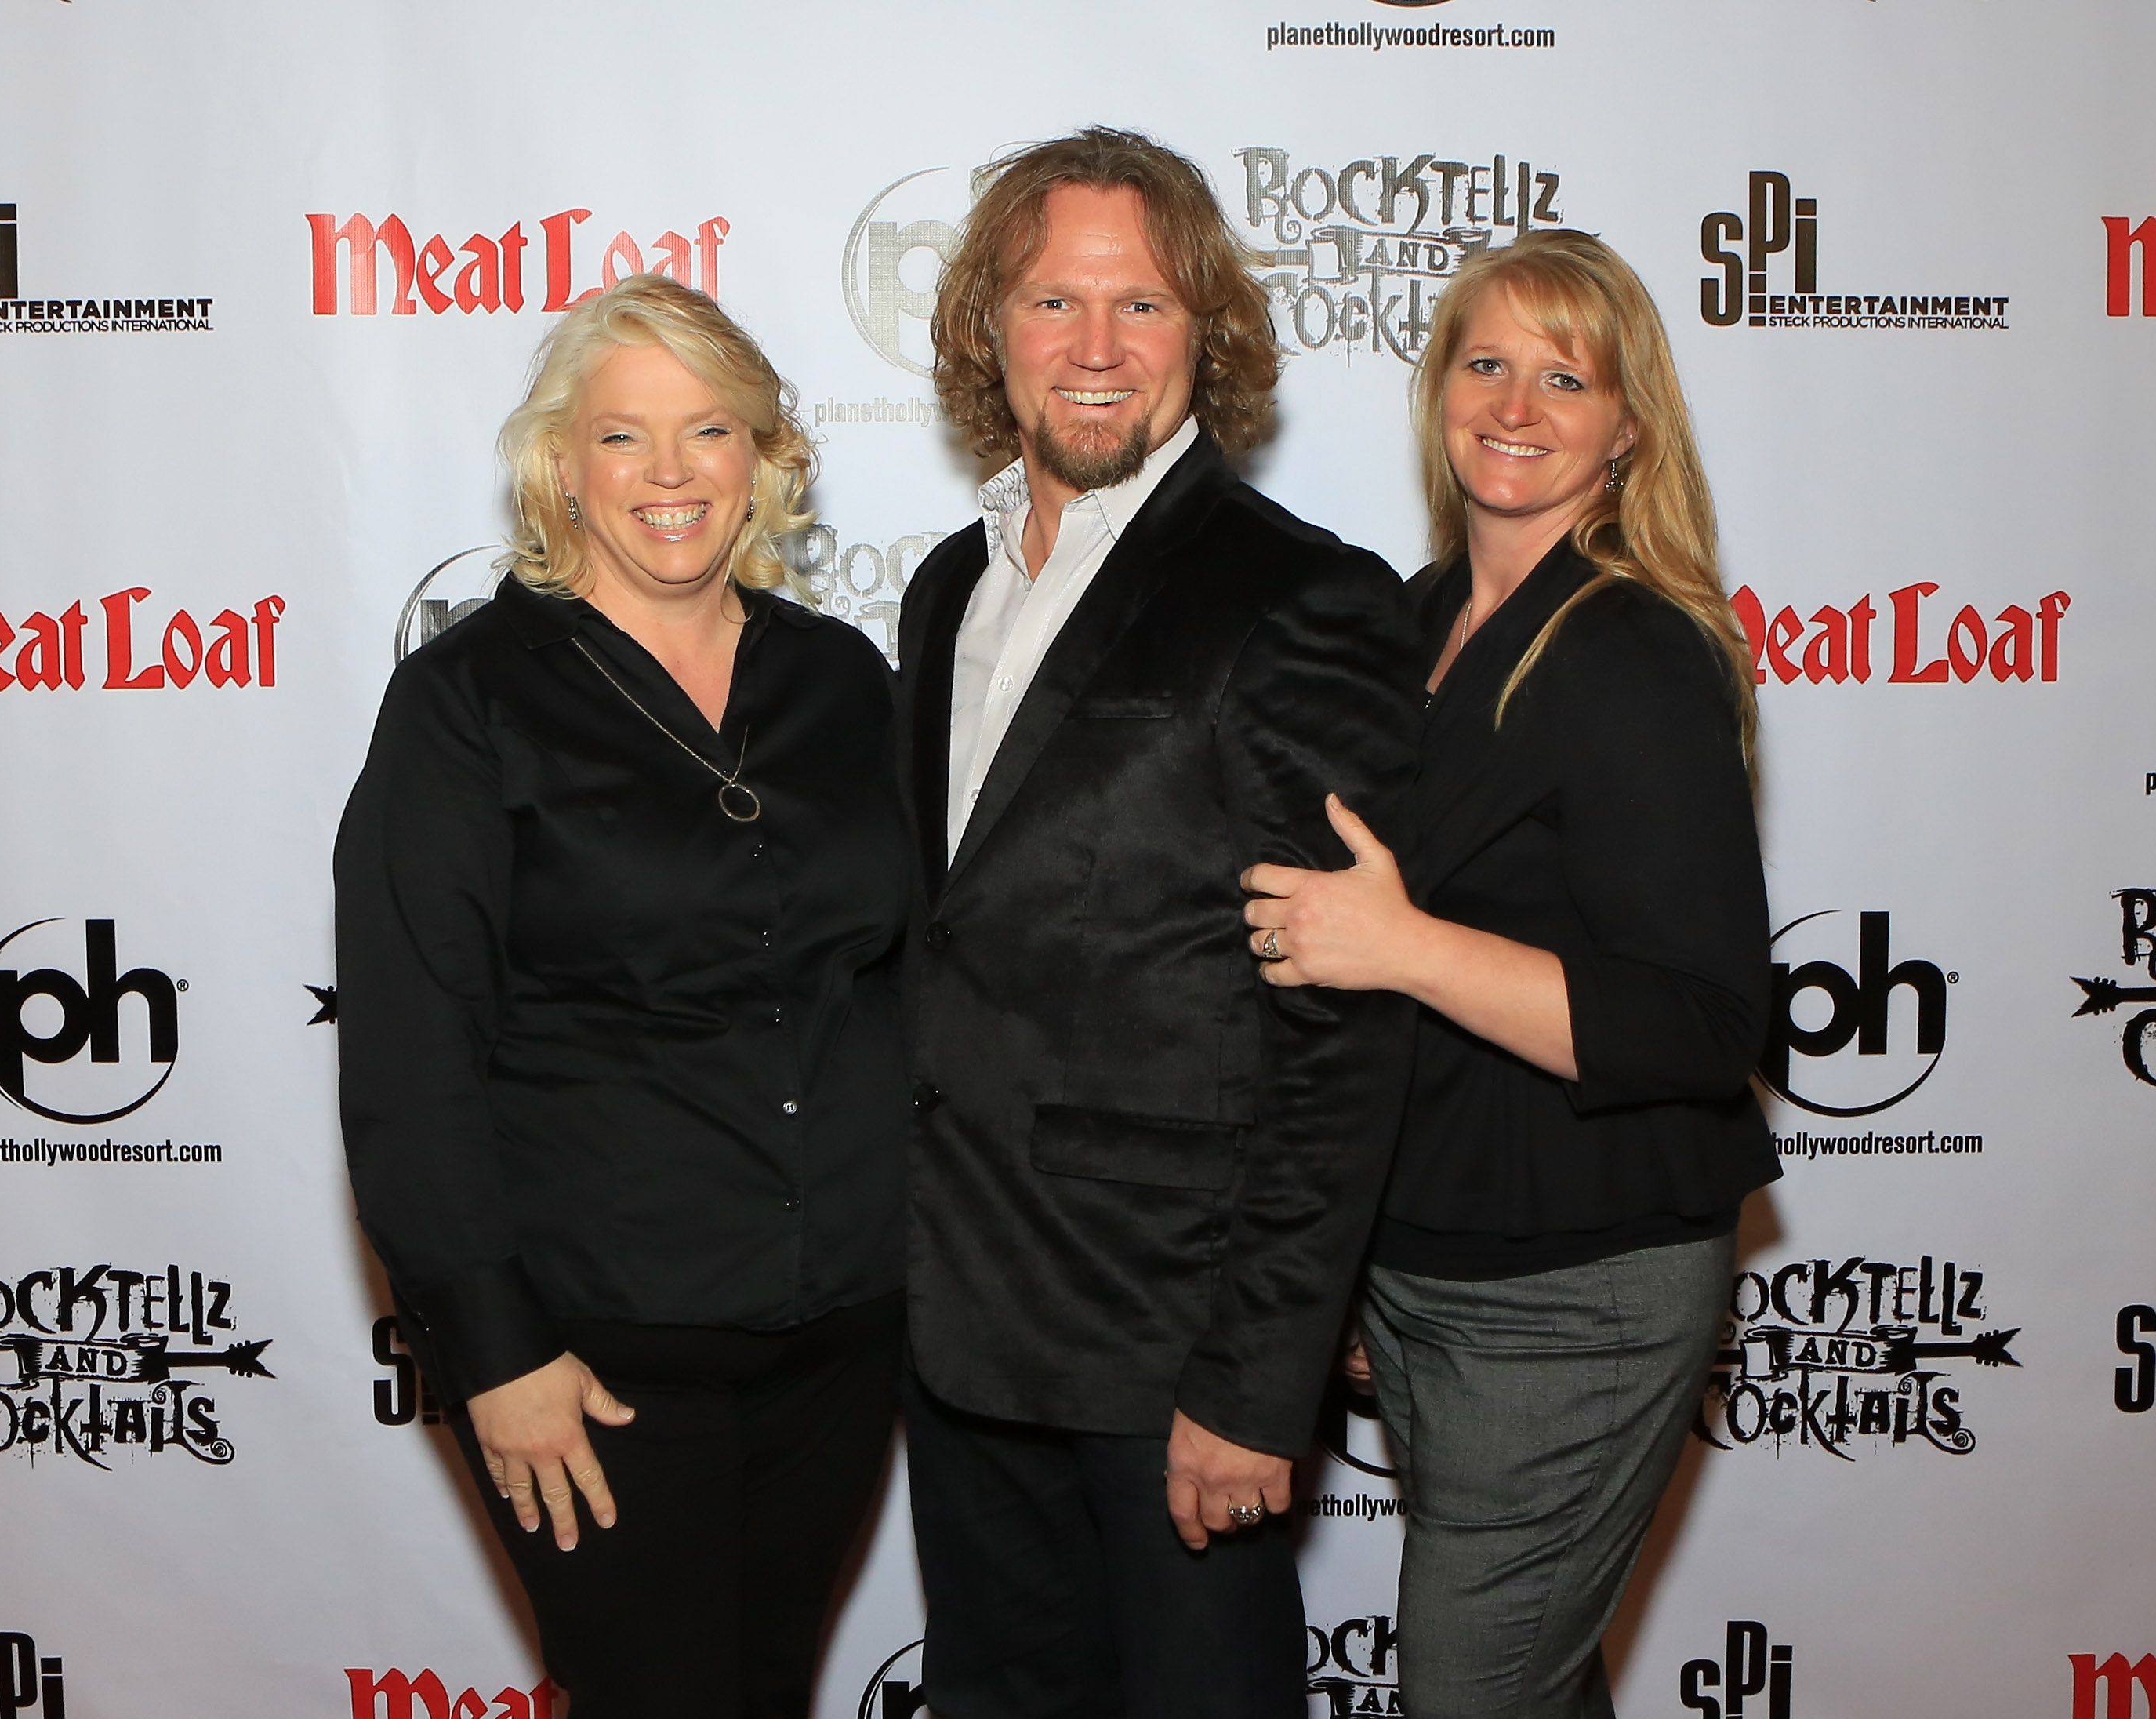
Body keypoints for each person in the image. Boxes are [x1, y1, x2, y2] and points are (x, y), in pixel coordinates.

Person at [895, 127, 1422, 1719]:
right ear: (990, 329)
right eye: (1055, 303)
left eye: (1142, 306)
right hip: (958, 1329)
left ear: (1210, 334)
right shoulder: (944, 589)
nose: (1099, 348)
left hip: (1170, 1360)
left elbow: (1350, 1025)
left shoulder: (1303, 596)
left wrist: (1258, 1383)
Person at [334, 274, 908, 1719]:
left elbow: (907, 969)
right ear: (558, 467)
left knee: (766, 1691)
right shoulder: (470, 700)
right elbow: (409, 1052)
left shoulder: (843, 680)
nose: (668, 476)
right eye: (622, 439)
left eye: (708, 432)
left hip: (842, 1327)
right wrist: (497, 1352)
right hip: (591, 1352)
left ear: (765, 461)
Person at [1241, 230, 1779, 1717]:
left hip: (1578, 1292)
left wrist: (1407, 947)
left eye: (1567, 376)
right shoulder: (1406, 627)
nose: (1518, 405)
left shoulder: (1636, 654)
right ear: (1436, 390)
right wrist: (1346, 1254)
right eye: (1487, 363)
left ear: (1628, 426)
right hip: (1427, 1266)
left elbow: (1704, 1020)